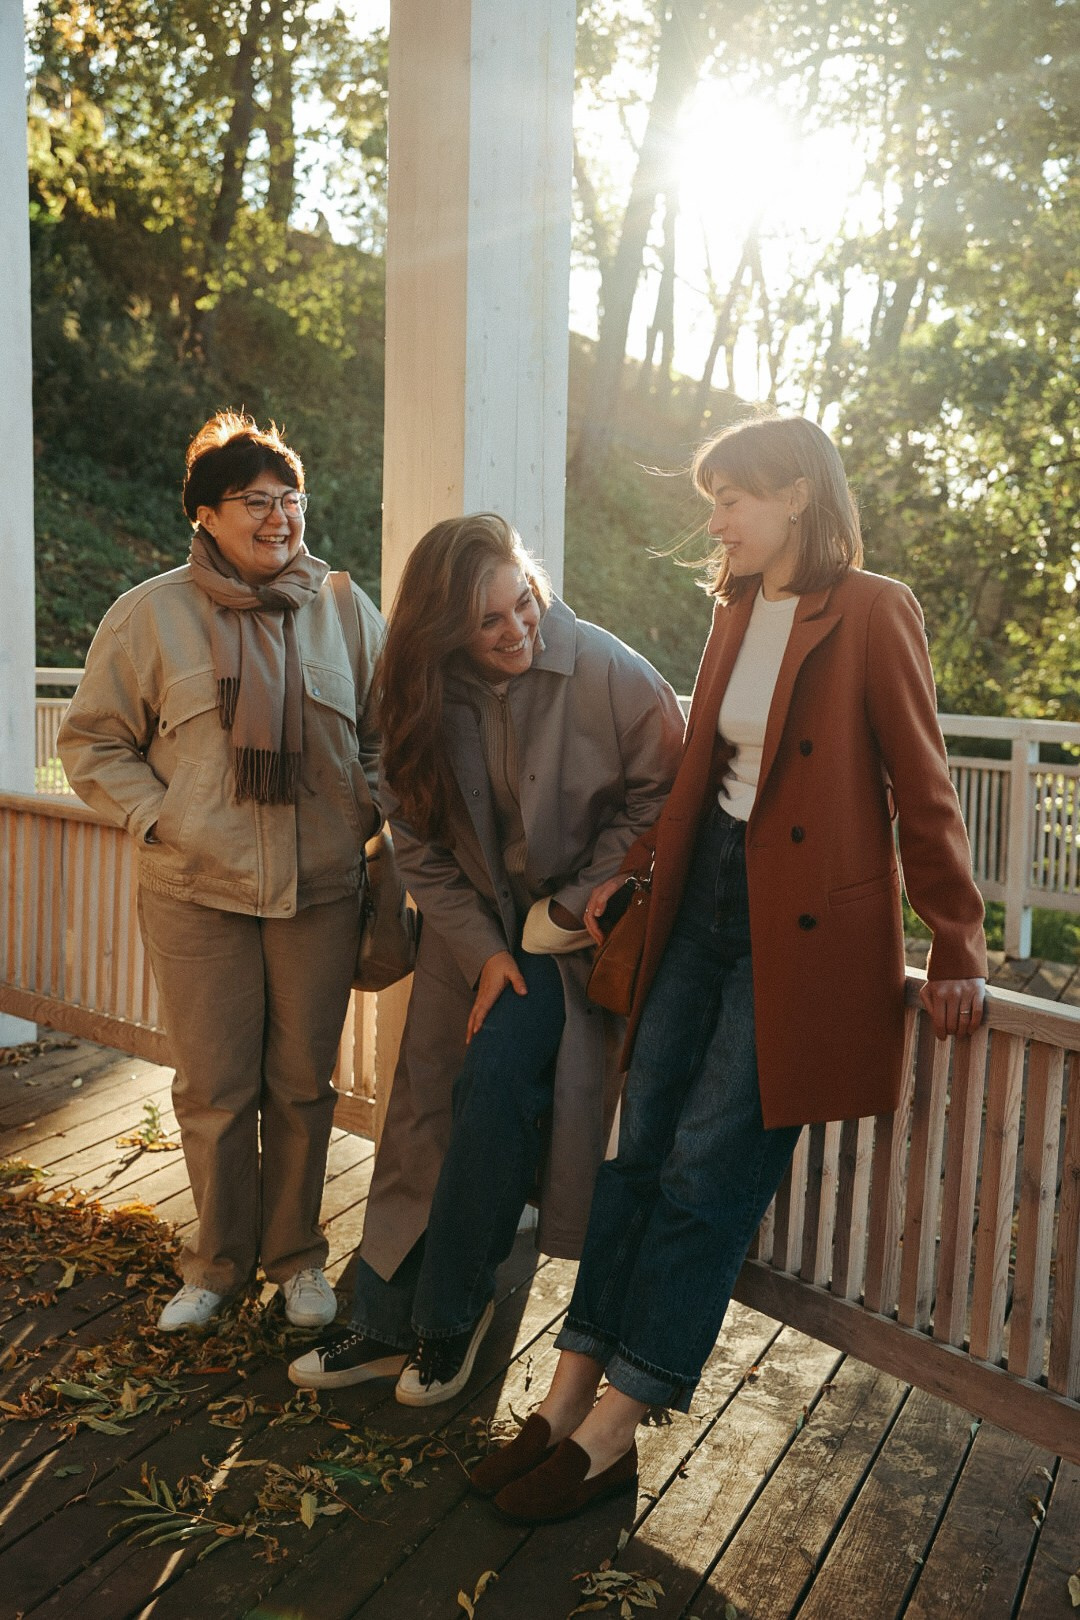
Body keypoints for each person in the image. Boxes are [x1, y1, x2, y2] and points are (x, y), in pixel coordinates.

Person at [472, 415, 988, 1522]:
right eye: (714, 501)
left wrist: (956, 942)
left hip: (802, 938)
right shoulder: (734, 609)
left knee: (708, 1171)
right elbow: (703, 766)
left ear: (796, 494)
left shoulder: (875, 611)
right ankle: (566, 1393)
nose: (716, 521)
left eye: (732, 499)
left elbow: (924, 787)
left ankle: (622, 1418)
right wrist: (631, 878)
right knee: (637, 1152)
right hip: (698, 907)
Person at [288, 512, 684, 1402]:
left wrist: (573, 905)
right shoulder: (414, 691)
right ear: (443, 631)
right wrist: (482, 949)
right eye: (490, 622)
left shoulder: (611, 670)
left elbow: (665, 797)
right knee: (422, 1112)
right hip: (469, 929)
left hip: (573, 935)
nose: (519, 631)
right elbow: (417, 841)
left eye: (524, 603)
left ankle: (446, 1320)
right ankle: (380, 1323)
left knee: (498, 1080)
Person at [58, 411, 384, 1333]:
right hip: (194, 889)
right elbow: (93, 742)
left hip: (319, 888)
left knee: (302, 1086)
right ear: (205, 513)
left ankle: (297, 1260)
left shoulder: (343, 606)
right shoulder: (150, 614)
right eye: (255, 501)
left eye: (290, 499)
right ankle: (214, 1265)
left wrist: (365, 808)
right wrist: (162, 818)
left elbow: (396, 729)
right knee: (214, 1087)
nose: (279, 517)